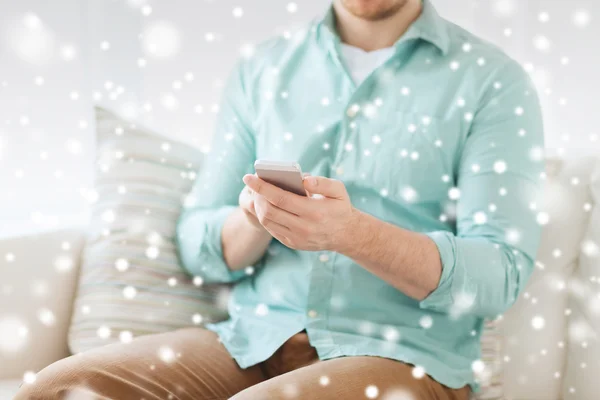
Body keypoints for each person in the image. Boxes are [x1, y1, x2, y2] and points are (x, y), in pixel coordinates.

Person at [15, 0, 544, 398]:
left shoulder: (492, 82)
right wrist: (255, 218)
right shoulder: (264, 70)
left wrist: (353, 234)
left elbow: (499, 274)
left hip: (403, 358)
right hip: (253, 340)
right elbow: (198, 241)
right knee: (59, 387)